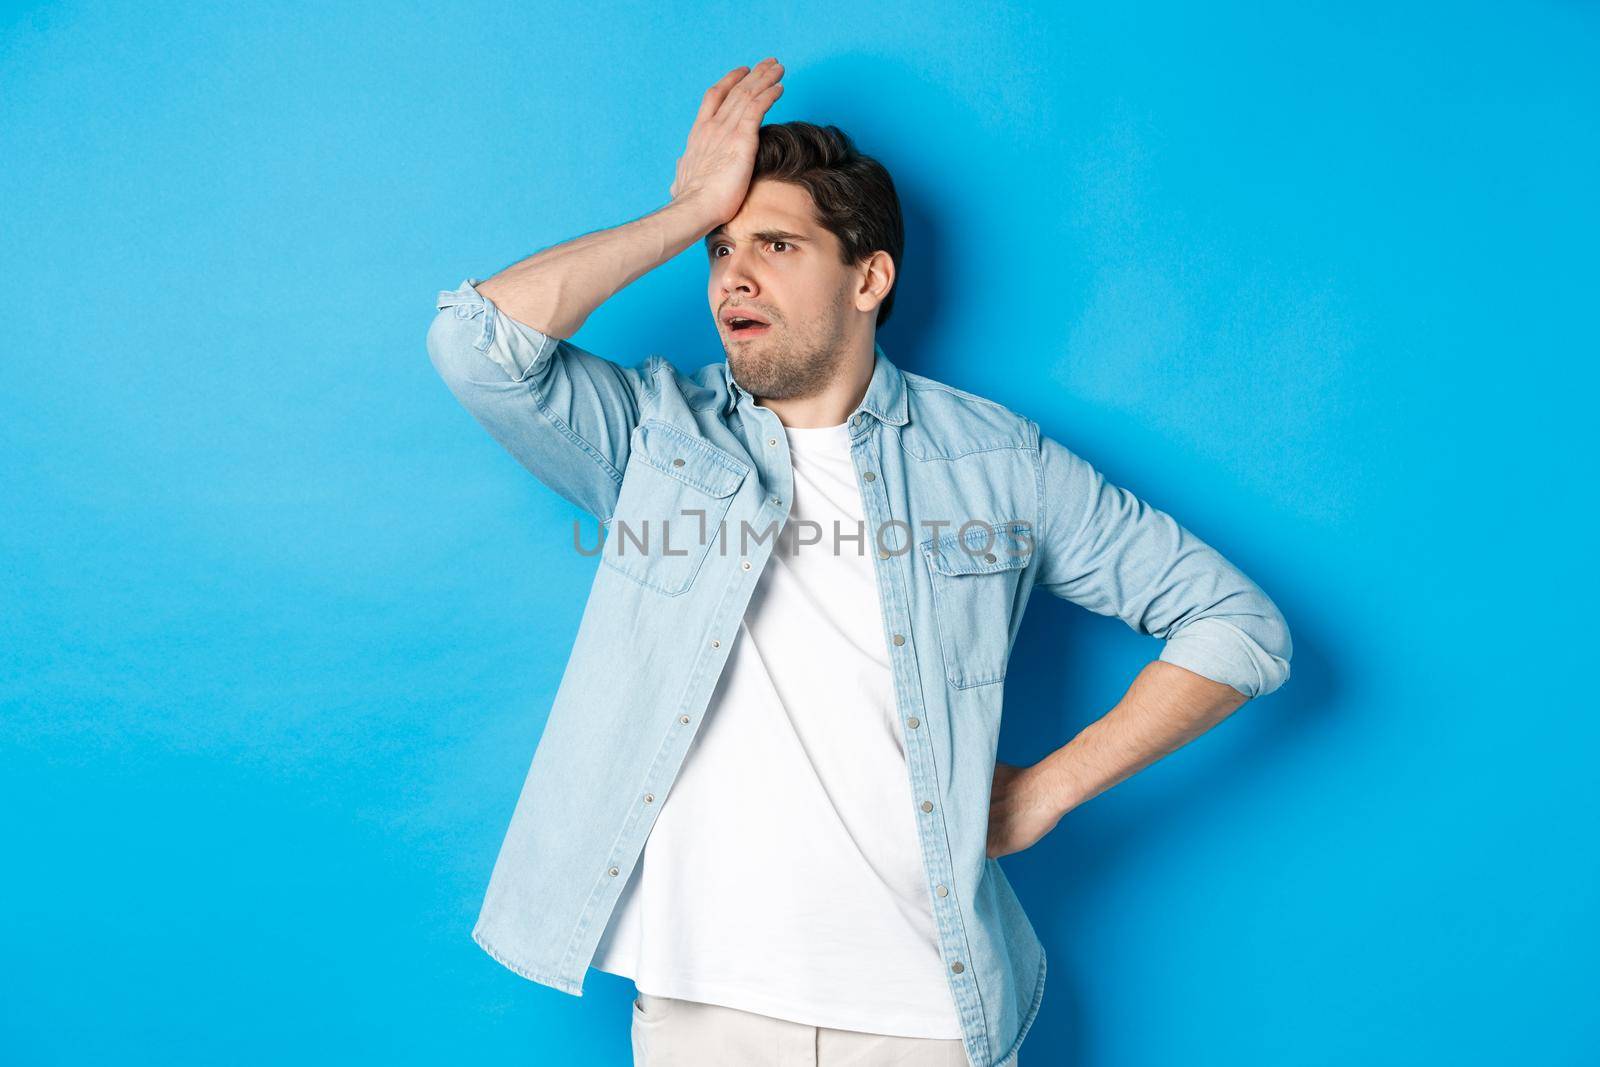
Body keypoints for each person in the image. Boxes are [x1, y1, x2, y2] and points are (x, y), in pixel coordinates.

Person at [425, 57, 1292, 1067]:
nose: (732, 277)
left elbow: (1239, 626)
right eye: (719, 251)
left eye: (776, 245)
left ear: (869, 277)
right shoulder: (653, 437)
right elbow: (474, 344)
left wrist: (1050, 787)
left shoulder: (996, 462)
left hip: (927, 1005)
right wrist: (688, 208)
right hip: (706, 1000)